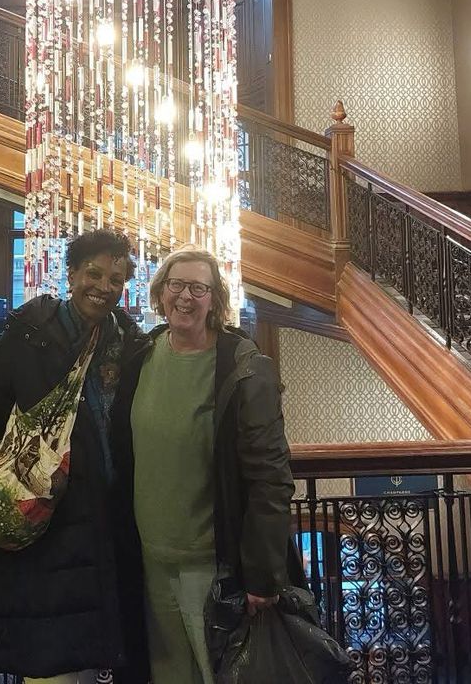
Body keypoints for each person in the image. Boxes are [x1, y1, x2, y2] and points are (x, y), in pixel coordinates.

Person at [0, 229, 148, 684]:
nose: (103, 287)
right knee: (49, 664)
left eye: (116, 279)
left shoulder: (129, 343)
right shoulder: (29, 336)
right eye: (93, 274)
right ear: (72, 273)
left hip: (108, 523)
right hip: (43, 524)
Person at [111, 247, 295, 684]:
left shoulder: (244, 367)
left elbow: (270, 476)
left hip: (214, 567)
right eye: (176, 285)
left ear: (215, 298)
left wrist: (263, 573)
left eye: (199, 287)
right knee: (168, 675)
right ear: (161, 292)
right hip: (150, 559)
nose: (185, 297)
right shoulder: (143, 356)